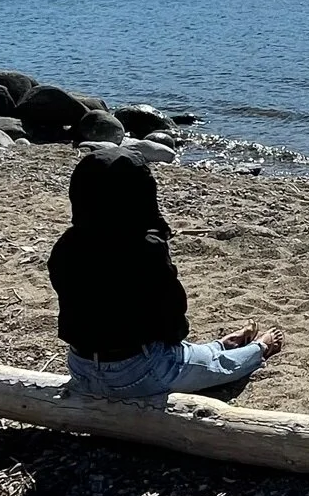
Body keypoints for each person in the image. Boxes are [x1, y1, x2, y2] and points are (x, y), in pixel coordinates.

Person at [50, 145, 285, 401]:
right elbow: (173, 316)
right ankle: (260, 347)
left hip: (81, 366)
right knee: (219, 367)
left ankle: (220, 346)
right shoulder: (145, 247)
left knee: (182, 352)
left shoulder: (67, 245)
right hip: (136, 373)